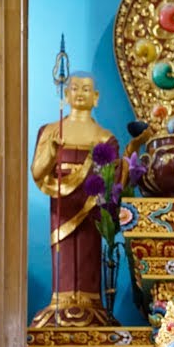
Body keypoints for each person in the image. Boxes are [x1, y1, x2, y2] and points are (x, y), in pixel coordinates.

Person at [29, 72, 119, 327]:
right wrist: (52, 152)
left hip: (91, 203)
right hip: (61, 202)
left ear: (97, 97)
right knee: (64, 250)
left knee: (89, 248)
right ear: (66, 94)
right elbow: (37, 172)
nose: (80, 93)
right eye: (75, 88)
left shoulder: (104, 137)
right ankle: (62, 300)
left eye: (87, 89)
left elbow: (111, 179)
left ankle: (90, 302)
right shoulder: (50, 131)